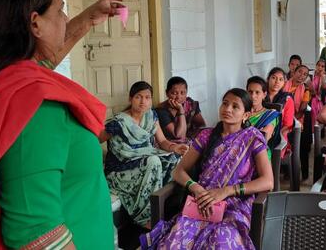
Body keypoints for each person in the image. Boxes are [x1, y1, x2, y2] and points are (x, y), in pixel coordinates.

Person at [0, 0, 123, 249]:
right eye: (60, 10)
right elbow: (36, 233)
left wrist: (90, 19)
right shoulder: (33, 107)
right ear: (35, 23)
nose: (66, 19)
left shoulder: (8, 78)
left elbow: (43, 62)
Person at [140, 88, 274, 249]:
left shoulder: (252, 138)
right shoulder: (206, 135)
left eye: (235, 106)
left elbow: (268, 181)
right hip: (202, 200)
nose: (227, 109)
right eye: (225, 104)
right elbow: (178, 171)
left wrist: (227, 191)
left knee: (221, 239)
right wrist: (196, 188)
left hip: (235, 204)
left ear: (246, 114)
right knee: (178, 240)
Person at [99, 81, 189, 228]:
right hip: (119, 169)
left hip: (142, 162)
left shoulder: (151, 116)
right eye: (138, 97)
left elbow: (163, 141)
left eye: (147, 97)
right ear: (130, 99)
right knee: (153, 162)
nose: (143, 102)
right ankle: (146, 217)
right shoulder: (119, 122)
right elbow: (95, 139)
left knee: (175, 159)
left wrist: (175, 148)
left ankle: (166, 207)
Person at [155, 76, 206, 143]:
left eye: (182, 93)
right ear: (167, 93)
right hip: (171, 143)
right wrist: (181, 110)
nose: (179, 97)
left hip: (190, 139)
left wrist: (191, 137)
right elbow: (179, 135)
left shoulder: (191, 104)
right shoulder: (161, 110)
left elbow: (202, 126)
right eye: (174, 93)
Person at [246, 76, 281, 160]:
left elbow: (262, 138)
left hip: (259, 156)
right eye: (250, 92)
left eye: (257, 92)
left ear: (264, 95)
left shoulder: (270, 115)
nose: (253, 96)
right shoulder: (241, 112)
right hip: (237, 152)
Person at [310, 59, 326, 131]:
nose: (320, 68)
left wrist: (322, 76)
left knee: (319, 117)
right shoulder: (311, 75)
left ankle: (318, 133)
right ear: (316, 66)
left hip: (320, 100)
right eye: (318, 65)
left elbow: (324, 87)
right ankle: (311, 133)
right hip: (310, 99)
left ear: (325, 68)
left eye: (323, 66)